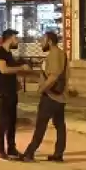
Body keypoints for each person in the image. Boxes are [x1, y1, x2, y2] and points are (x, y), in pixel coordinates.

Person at [21, 31, 68, 163]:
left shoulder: (54, 54)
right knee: (59, 125)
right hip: (59, 96)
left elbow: (53, 76)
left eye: (42, 40)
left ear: (49, 41)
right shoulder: (59, 54)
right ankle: (58, 154)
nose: (40, 42)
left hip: (51, 96)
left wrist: (42, 89)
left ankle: (29, 153)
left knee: (41, 125)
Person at [0, 29, 31, 160]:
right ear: (10, 38)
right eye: (16, 38)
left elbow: (11, 71)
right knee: (4, 121)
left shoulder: (9, 54)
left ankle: (12, 149)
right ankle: (0, 150)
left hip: (11, 91)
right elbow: (4, 69)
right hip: (2, 92)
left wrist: (17, 83)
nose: (17, 41)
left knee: (12, 121)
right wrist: (21, 68)